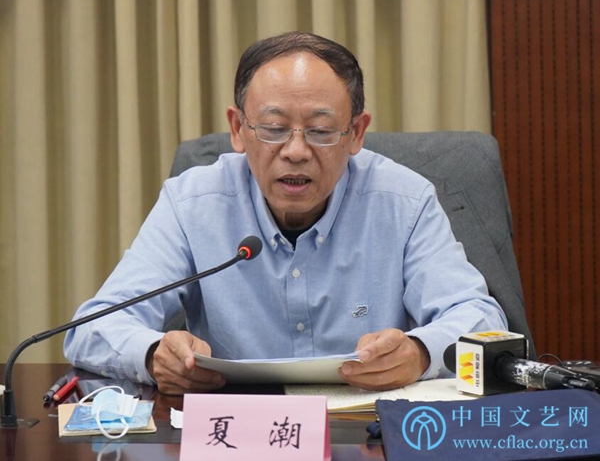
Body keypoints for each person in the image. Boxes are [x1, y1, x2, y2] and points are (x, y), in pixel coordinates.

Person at [64, 31, 507, 395]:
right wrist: (152, 354)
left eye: (320, 131)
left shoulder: (404, 201)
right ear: (238, 129)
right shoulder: (192, 203)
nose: (296, 151)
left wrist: (421, 352)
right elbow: (94, 328)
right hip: (235, 436)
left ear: (356, 133)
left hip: (366, 436)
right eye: (274, 129)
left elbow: (483, 319)